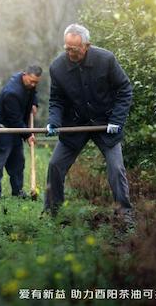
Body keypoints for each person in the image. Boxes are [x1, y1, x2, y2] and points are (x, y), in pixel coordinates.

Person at [44, 23, 134, 221]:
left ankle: (125, 214)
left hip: (106, 124)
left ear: (86, 45)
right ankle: (52, 213)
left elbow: (125, 90)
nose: (69, 53)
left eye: (74, 49)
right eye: (66, 48)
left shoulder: (106, 60)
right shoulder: (58, 67)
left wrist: (116, 120)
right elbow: (57, 100)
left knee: (116, 168)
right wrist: (53, 121)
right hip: (75, 125)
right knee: (55, 165)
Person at [0, 65, 42, 200]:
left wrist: (34, 103)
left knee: (18, 162)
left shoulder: (28, 84)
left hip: (15, 128)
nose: (33, 84)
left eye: (36, 82)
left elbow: (33, 93)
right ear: (24, 74)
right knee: (0, 160)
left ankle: (18, 192)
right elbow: (15, 119)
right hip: (1, 128)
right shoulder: (12, 92)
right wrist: (28, 135)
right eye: (31, 81)